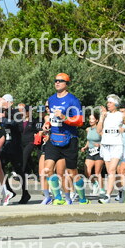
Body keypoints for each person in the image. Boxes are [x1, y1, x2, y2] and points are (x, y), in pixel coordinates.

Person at [42, 73, 88, 205]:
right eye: (56, 80)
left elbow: (80, 121)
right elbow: (51, 117)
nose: (57, 83)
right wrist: (47, 124)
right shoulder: (51, 99)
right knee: (47, 169)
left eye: (61, 81)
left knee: (72, 172)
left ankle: (83, 198)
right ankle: (58, 198)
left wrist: (64, 118)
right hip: (54, 138)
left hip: (69, 139)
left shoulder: (73, 100)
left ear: (67, 84)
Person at [97, 94, 125, 204]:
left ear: (115, 104)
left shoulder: (121, 115)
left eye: (110, 103)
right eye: (107, 102)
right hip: (105, 144)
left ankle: (107, 196)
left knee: (112, 170)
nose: (108, 104)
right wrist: (101, 118)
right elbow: (98, 130)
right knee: (110, 172)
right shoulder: (105, 115)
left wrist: (124, 130)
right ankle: (121, 189)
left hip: (117, 144)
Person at [81, 113, 104, 197]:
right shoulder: (88, 129)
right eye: (90, 119)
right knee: (87, 172)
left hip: (99, 152)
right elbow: (89, 140)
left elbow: (106, 139)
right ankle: (95, 183)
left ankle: (102, 190)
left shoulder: (100, 129)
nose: (90, 120)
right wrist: (85, 147)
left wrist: (100, 144)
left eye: (92, 119)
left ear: (97, 120)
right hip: (90, 152)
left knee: (97, 172)